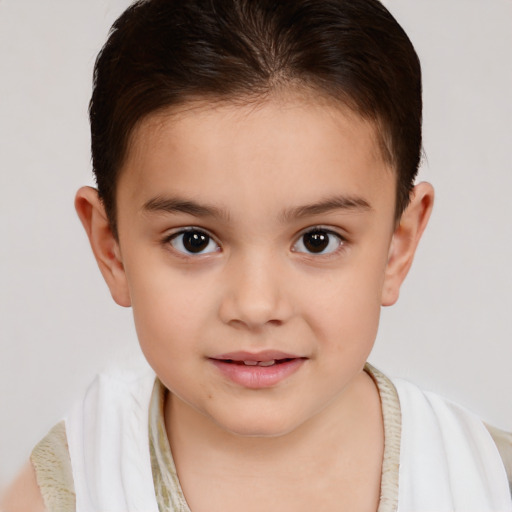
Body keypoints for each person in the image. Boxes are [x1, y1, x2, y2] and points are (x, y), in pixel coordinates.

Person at [2, 0, 511, 510]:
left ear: (398, 246)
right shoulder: (65, 491)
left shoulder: (490, 481)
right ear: (111, 249)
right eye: (194, 240)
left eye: (318, 239)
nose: (255, 305)